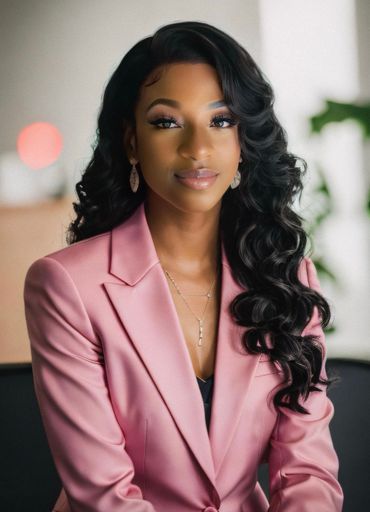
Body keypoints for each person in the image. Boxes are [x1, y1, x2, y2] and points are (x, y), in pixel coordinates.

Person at [23, 20, 344, 512]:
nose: (197, 148)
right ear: (131, 141)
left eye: (220, 121)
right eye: (167, 122)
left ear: (244, 143)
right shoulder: (67, 286)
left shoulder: (286, 276)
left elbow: (308, 471)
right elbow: (104, 496)